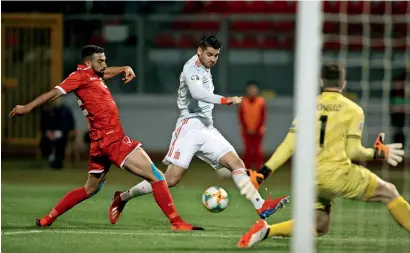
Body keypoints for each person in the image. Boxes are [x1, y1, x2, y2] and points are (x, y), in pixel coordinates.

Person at [9, 45, 201, 231]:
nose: (104, 64)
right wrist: (26, 108)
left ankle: (48, 218)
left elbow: (105, 73)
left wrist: (124, 68)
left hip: (99, 142)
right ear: (87, 62)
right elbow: (53, 93)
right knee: (157, 177)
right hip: (113, 140)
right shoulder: (78, 77)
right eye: (100, 61)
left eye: (105, 60)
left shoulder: (93, 74)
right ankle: (176, 222)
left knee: (89, 189)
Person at [109, 35, 289, 225]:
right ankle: (123, 197)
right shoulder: (191, 68)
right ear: (199, 51)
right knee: (170, 179)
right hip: (189, 127)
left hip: (206, 127)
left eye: (216, 55)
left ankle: (261, 206)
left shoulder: (204, 68)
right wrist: (224, 99)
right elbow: (196, 93)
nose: (213, 59)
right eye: (209, 54)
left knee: (236, 163)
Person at [237, 64, 409, 248]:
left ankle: (267, 230)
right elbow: (353, 152)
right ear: (343, 82)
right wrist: (376, 153)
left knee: (319, 225)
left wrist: (263, 173)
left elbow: (288, 145)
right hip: (338, 175)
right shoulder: (353, 109)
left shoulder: (309, 106)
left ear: (321, 81)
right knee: (389, 192)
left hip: (310, 178)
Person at [39, 97, 75, 169]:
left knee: (61, 144)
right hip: (49, 134)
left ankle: (57, 161)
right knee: (46, 143)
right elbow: (43, 125)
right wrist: (48, 132)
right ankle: (51, 157)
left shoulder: (66, 111)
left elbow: (70, 124)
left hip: (62, 133)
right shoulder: (47, 111)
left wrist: (64, 132)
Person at [238, 81, 266, 170]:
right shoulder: (243, 102)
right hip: (246, 130)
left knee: (258, 150)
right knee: (248, 150)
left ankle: (259, 167)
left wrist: (256, 128)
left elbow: (263, 116)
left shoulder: (261, 102)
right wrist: (247, 128)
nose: (252, 91)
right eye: (250, 90)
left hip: (258, 130)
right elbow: (241, 117)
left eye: (254, 89)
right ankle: (247, 168)